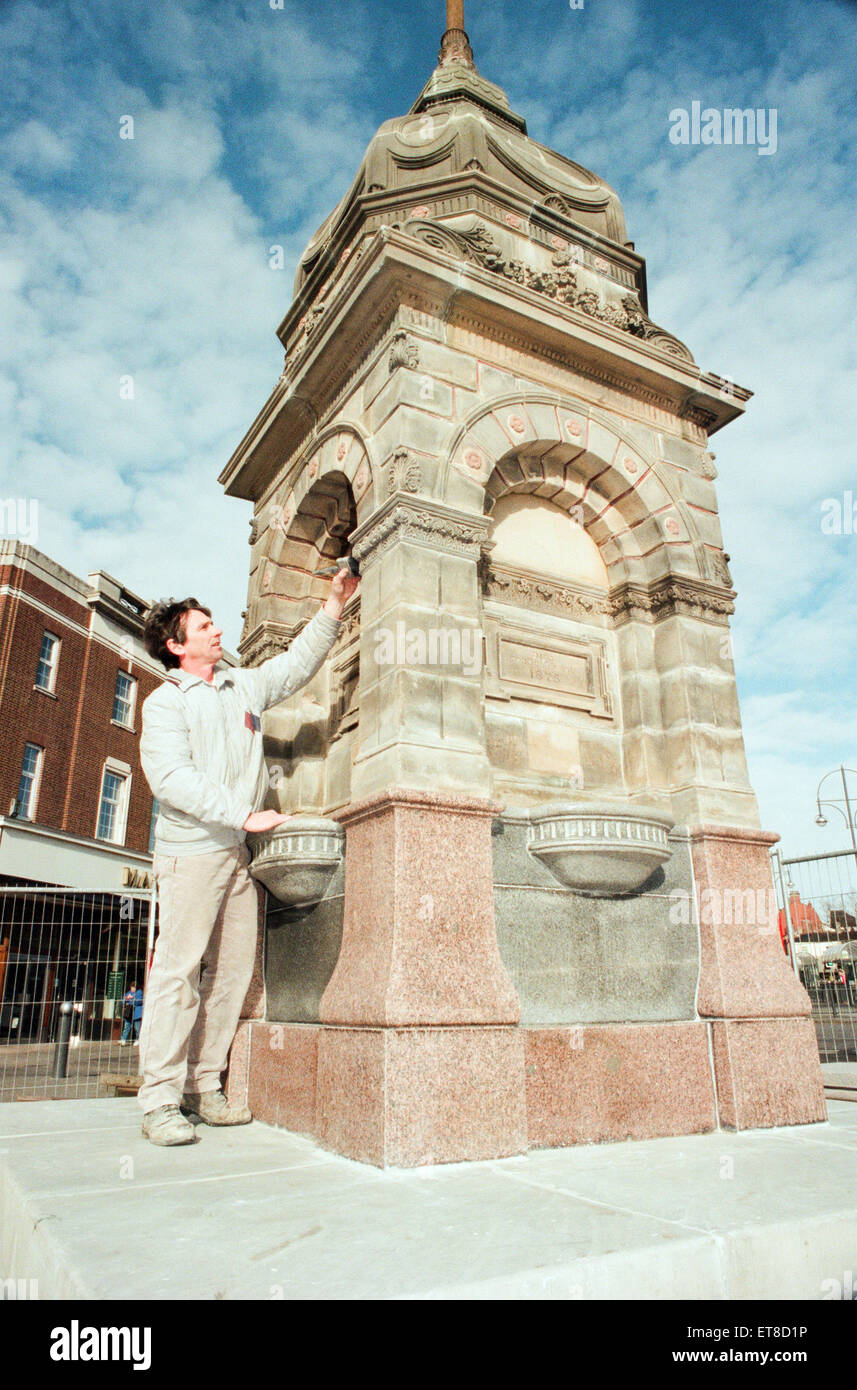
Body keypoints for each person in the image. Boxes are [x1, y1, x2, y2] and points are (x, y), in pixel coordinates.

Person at [137, 567, 357, 1146]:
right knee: (178, 973)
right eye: (203, 626)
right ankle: (159, 1100)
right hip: (191, 854)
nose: (216, 631)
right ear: (176, 645)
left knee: (233, 974)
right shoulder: (164, 705)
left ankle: (203, 1087)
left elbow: (293, 666)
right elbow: (171, 779)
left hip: (236, 857)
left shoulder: (241, 686)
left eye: (213, 623)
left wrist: (334, 606)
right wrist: (242, 814)